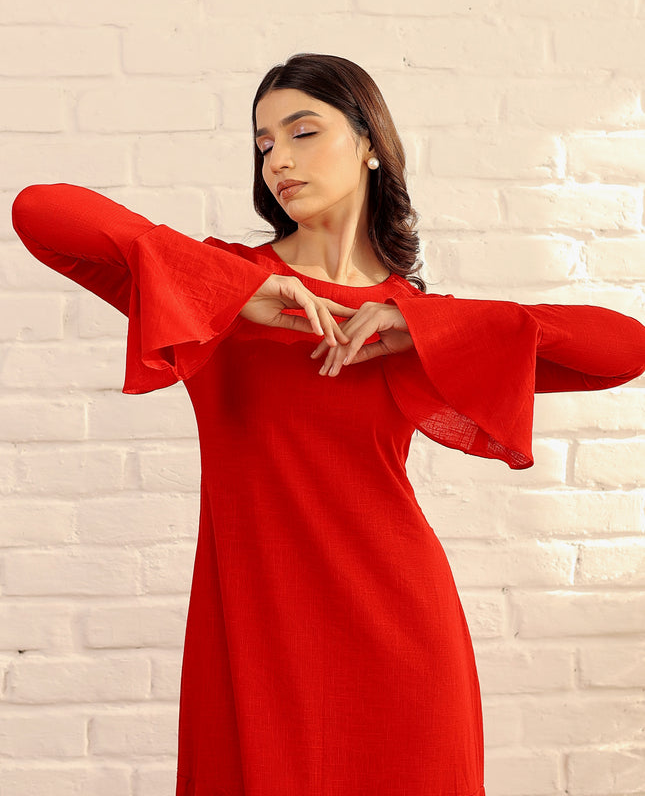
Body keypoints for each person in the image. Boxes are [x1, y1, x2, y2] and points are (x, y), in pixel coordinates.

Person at [11, 52, 645, 796]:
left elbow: (622, 350)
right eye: (263, 143)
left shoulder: (409, 323)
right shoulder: (211, 289)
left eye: (303, 131)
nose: (278, 157)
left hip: (401, 629)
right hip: (253, 634)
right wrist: (238, 290)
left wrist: (421, 323)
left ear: (370, 142)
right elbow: (39, 210)